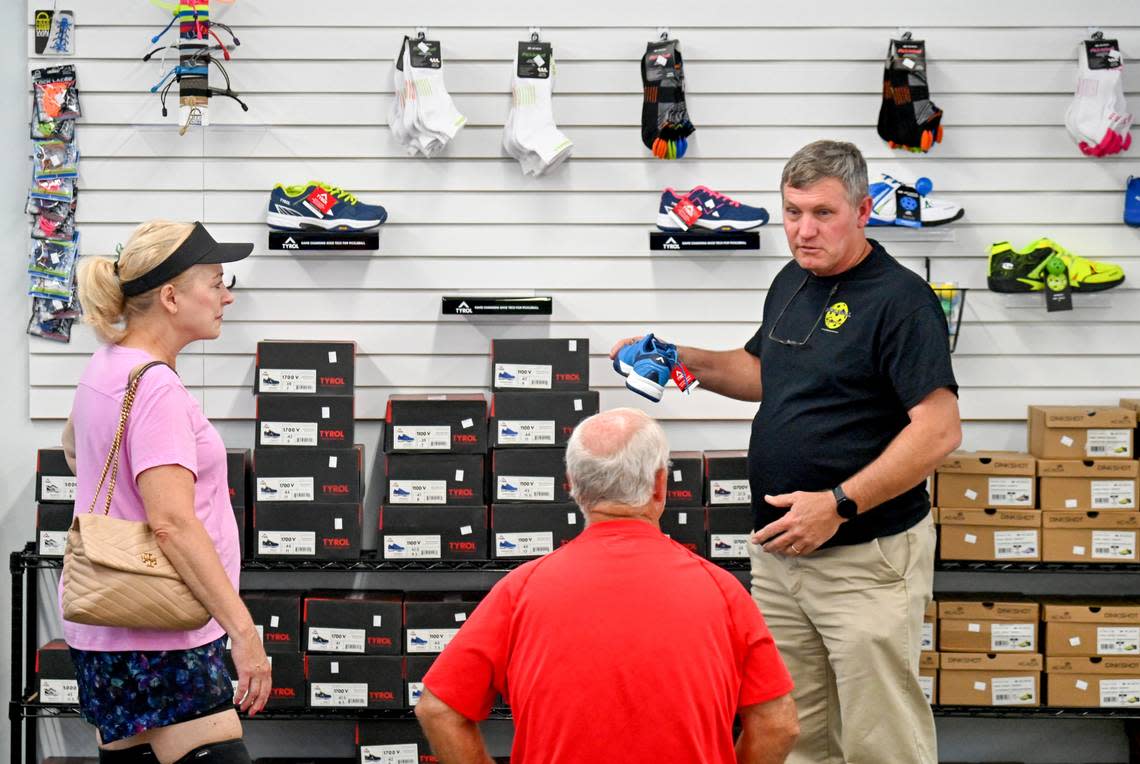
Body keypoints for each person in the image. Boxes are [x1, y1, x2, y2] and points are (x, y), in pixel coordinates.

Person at [609, 140, 962, 764]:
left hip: (864, 557)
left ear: (863, 211)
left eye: (823, 213)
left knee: (881, 737)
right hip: (781, 555)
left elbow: (938, 431)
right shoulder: (793, 279)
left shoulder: (902, 302)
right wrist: (679, 356)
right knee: (794, 731)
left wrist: (839, 504)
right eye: (793, 211)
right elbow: (761, 374)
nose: (804, 230)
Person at [415, 408, 798, 763]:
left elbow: (438, 709)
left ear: (574, 488)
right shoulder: (722, 591)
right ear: (659, 485)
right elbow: (778, 725)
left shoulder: (521, 590)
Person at [60, 220, 269, 764]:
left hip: (106, 632)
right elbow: (172, 524)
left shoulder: (105, 367)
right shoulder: (153, 386)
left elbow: (75, 452)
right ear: (172, 297)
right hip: (164, 638)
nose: (227, 297)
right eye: (217, 282)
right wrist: (243, 632)